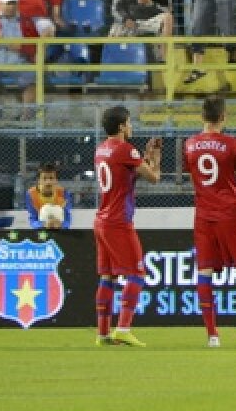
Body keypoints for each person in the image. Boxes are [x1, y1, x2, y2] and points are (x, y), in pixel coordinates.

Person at [183, 96, 236, 347]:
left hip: (204, 216)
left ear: (202, 117)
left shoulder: (189, 144)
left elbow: (193, 178)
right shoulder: (232, 144)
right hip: (230, 214)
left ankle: (212, 335)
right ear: (223, 117)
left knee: (205, 272)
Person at [93, 105, 161, 346]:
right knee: (137, 273)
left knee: (108, 276)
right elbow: (153, 178)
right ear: (122, 126)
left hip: (101, 219)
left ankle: (103, 333)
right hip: (118, 221)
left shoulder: (101, 149)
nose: (131, 126)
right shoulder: (125, 149)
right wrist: (155, 158)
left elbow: (127, 173)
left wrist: (146, 157)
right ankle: (122, 328)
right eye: (129, 122)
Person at [25, 162, 73, 230]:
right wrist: (42, 225)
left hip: (60, 228)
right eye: (44, 178)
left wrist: (61, 225)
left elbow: (67, 217)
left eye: (51, 178)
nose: (48, 182)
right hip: (41, 230)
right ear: (39, 180)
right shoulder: (31, 194)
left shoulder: (64, 193)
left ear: (56, 180)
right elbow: (33, 218)